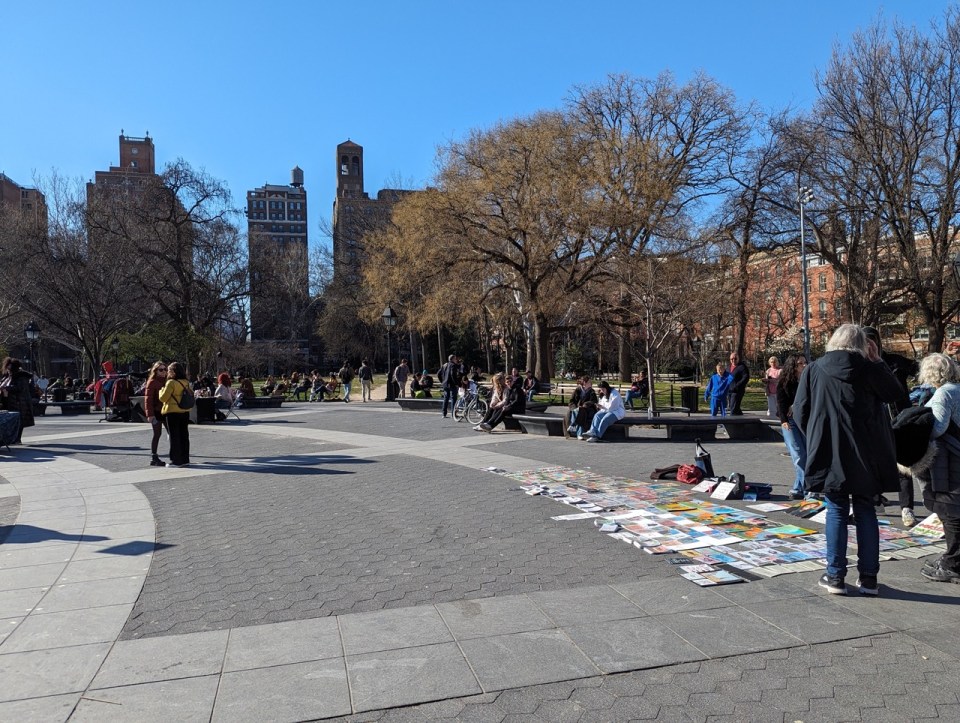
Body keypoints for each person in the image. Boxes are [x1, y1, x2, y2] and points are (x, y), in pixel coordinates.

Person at [794, 324, 903, 596]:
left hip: (830, 450)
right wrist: (878, 362)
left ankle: (835, 576)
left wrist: (817, 436)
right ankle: (868, 578)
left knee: (836, 509)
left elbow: (800, 411)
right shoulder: (870, 369)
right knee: (866, 509)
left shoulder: (814, 369)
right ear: (863, 345)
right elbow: (896, 395)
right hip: (867, 452)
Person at [910, 353, 960, 584]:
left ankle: (952, 564)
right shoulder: (957, 389)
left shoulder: (943, 393)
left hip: (950, 459)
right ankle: (951, 559)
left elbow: (938, 427)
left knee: (950, 511)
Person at [863, 326, 921, 525]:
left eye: (872, 340)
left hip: (898, 418)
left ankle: (907, 508)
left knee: (903, 466)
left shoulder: (894, 361)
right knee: (873, 463)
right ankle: (876, 500)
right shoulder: (859, 365)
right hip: (873, 422)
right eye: (865, 341)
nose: (869, 345)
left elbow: (921, 370)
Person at [776, 354, 808, 500]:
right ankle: (807, 488)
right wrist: (783, 420)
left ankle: (798, 488)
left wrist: (795, 405)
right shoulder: (785, 382)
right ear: (793, 366)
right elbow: (780, 401)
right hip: (790, 421)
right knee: (798, 454)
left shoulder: (807, 379)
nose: (804, 365)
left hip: (804, 421)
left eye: (805, 362)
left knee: (806, 454)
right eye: (801, 363)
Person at [158, 361, 192, 467]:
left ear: (173, 372)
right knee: (184, 435)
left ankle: (176, 460)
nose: (167, 372)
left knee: (174, 436)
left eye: (168, 370)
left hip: (172, 412)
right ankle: (185, 459)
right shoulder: (186, 382)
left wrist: (161, 390)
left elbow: (163, 398)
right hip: (184, 411)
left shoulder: (171, 383)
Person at [0, 357, 36, 444]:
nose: (8, 370)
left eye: (9, 368)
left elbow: (20, 388)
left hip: (19, 402)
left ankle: (17, 439)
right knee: (12, 420)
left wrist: (6, 388)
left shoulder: (21, 376)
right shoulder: (8, 376)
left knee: (19, 421)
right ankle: (12, 438)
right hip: (9, 401)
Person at [144, 361, 167, 465]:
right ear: (155, 371)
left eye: (165, 369)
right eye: (161, 370)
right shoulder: (152, 382)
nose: (163, 372)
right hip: (156, 412)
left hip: (166, 411)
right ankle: (154, 456)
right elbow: (148, 400)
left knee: (171, 433)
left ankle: (175, 454)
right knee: (157, 434)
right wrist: (150, 414)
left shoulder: (167, 381)